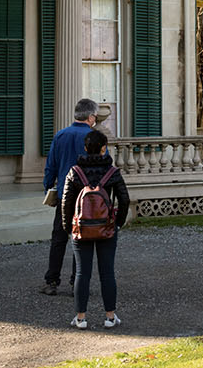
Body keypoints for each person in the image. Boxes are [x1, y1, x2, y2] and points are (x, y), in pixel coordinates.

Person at [62, 129, 129, 329]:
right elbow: (124, 199)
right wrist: (117, 222)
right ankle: (110, 316)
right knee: (107, 272)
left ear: (85, 148)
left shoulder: (75, 172)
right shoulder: (112, 173)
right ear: (103, 149)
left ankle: (81, 318)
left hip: (81, 228)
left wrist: (68, 227)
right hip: (106, 227)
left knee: (83, 273)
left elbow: (66, 202)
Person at [41, 98, 100, 296]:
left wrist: (49, 188)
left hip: (64, 195)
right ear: (91, 117)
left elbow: (51, 166)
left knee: (59, 238)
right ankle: (77, 281)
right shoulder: (94, 137)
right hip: (87, 197)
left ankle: (52, 281)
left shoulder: (61, 135)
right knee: (82, 239)